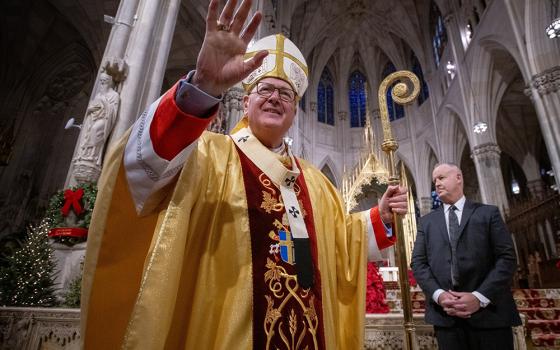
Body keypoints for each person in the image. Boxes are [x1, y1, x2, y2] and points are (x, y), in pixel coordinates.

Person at [81, 0, 408, 348]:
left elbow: (339, 243)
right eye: (264, 89)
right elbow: (140, 166)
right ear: (247, 99)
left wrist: (380, 218)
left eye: (285, 93)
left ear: (296, 110)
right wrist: (203, 86)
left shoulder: (317, 183)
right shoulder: (208, 154)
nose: (274, 98)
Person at [411, 163, 521, 350]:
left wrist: (479, 297)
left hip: (490, 315)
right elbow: (418, 263)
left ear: (459, 178)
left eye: (442, 177)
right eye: (434, 180)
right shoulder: (426, 222)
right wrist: (440, 295)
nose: (437, 183)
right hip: (447, 318)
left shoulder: (488, 213)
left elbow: (507, 258)